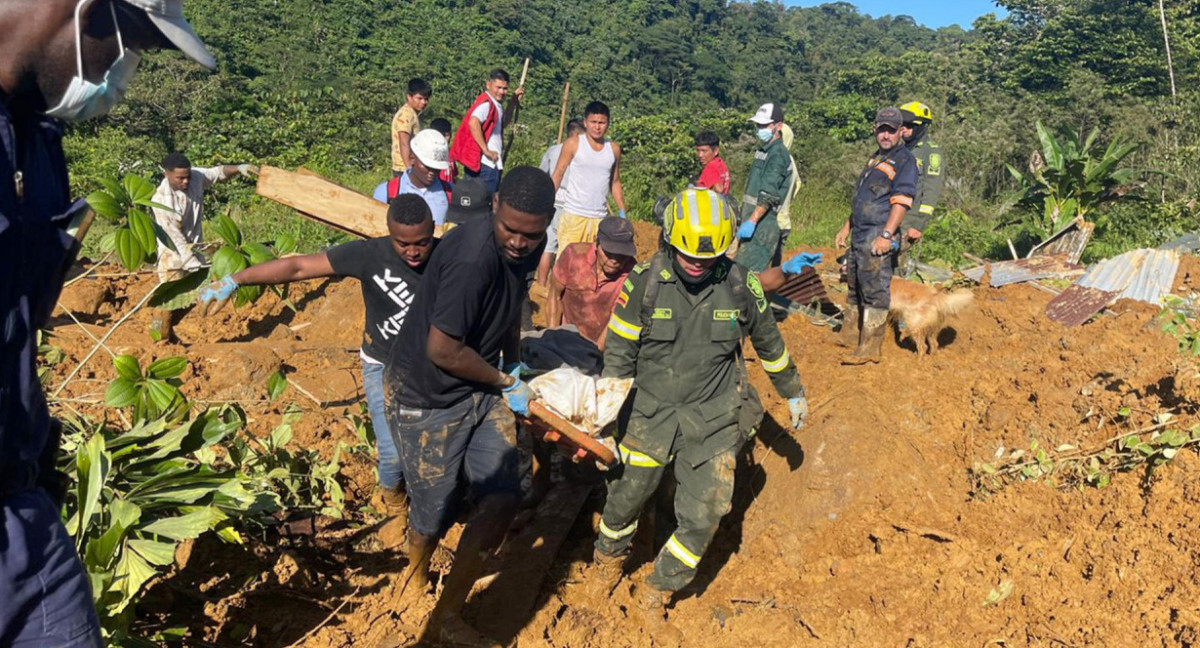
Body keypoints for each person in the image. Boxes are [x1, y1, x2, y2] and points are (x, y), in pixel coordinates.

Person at [1, 1, 214, 645]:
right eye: (133, 47)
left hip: (19, 505)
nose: (124, 74)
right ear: (89, 15)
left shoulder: (34, 138)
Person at [593, 188, 808, 614]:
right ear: (669, 240)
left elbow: (769, 343)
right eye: (687, 254)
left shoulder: (741, 285)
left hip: (712, 417)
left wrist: (793, 391)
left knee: (707, 510)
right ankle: (606, 562)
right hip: (649, 413)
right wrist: (604, 419)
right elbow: (618, 354)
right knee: (625, 499)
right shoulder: (644, 281)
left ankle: (658, 589)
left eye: (706, 259)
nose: (696, 264)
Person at [196, 194, 436, 542]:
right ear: (388, 234)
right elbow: (299, 267)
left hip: (430, 367)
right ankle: (394, 506)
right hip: (381, 365)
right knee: (392, 454)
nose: (413, 252)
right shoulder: (370, 255)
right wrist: (236, 279)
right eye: (403, 244)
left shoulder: (447, 257)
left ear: (432, 232)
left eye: (422, 243)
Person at [385, 167, 553, 646]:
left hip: (478, 385)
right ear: (495, 206)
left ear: (547, 222)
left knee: (502, 497)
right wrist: (503, 378)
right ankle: (413, 580)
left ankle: (447, 615)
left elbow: (510, 304)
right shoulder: (471, 257)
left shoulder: (528, 244)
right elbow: (442, 349)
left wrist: (515, 362)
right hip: (428, 394)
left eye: (531, 233)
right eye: (511, 230)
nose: (520, 243)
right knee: (433, 512)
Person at [834, 106, 918, 364]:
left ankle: (870, 348)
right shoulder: (876, 158)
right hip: (860, 231)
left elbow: (901, 202)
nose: (885, 135)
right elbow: (864, 197)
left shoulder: (904, 161)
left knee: (874, 289)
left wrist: (886, 234)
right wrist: (846, 227)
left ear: (900, 132)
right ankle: (850, 334)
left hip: (877, 233)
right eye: (881, 129)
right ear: (875, 129)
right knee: (854, 284)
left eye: (891, 130)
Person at [152, 153, 257, 280]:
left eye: (187, 176)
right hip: (173, 255)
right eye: (180, 178)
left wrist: (239, 168)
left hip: (196, 247)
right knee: (174, 295)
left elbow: (217, 173)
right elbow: (175, 239)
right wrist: (195, 266)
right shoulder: (160, 201)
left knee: (200, 294)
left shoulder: (195, 176)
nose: (186, 181)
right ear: (167, 175)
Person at [546, 216, 638, 350]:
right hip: (564, 339)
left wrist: (595, 352)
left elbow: (615, 319)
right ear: (596, 243)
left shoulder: (632, 274)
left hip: (602, 348)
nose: (615, 260)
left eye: (622, 255)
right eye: (609, 253)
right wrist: (552, 341)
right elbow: (555, 295)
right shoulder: (573, 255)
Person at [551, 101, 626, 249]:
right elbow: (558, 174)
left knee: (593, 266)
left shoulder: (614, 149)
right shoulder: (573, 144)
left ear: (608, 124)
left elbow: (615, 182)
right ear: (585, 122)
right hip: (573, 216)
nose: (597, 127)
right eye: (593, 122)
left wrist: (622, 212)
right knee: (568, 265)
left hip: (599, 219)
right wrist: (546, 202)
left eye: (601, 123)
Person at [736, 102, 794, 272]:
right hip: (752, 221)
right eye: (758, 125)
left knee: (747, 277)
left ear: (779, 126)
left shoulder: (777, 154)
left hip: (762, 226)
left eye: (765, 125)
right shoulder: (764, 150)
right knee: (740, 273)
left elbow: (768, 193)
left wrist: (752, 221)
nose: (760, 128)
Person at [449, 68, 524, 193]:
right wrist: (486, 150)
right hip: (485, 165)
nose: (501, 91)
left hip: (489, 164)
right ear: (488, 84)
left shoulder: (494, 104)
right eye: (498, 87)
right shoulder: (487, 104)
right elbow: (473, 122)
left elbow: (503, 123)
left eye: (505, 88)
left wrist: (513, 101)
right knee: (483, 204)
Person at [896, 101, 945, 276]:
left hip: (910, 216)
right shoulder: (898, 149)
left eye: (909, 126)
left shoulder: (931, 153)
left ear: (921, 127)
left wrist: (919, 224)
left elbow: (932, 190)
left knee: (897, 260)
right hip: (891, 212)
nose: (904, 129)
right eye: (902, 125)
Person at [535, 118, 586, 285]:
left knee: (548, 246)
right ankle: (557, 285)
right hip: (571, 205)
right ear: (576, 135)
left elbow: (542, 174)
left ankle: (542, 284)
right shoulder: (581, 153)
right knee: (566, 248)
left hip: (553, 199)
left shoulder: (553, 150)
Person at [395, 129, 450, 227]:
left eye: (436, 168)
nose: (432, 172)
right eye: (427, 167)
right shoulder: (388, 192)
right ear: (412, 159)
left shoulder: (450, 192)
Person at [391, 78, 432, 177]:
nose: (423, 102)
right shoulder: (406, 115)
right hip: (403, 168)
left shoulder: (413, 114)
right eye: (419, 98)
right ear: (409, 97)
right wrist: (409, 169)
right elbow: (404, 143)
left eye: (426, 99)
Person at [430, 117, 457, 194]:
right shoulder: (431, 155)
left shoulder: (451, 154)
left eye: (446, 135)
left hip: (450, 192)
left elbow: (453, 175)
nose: (443, 139)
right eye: (440, 135)